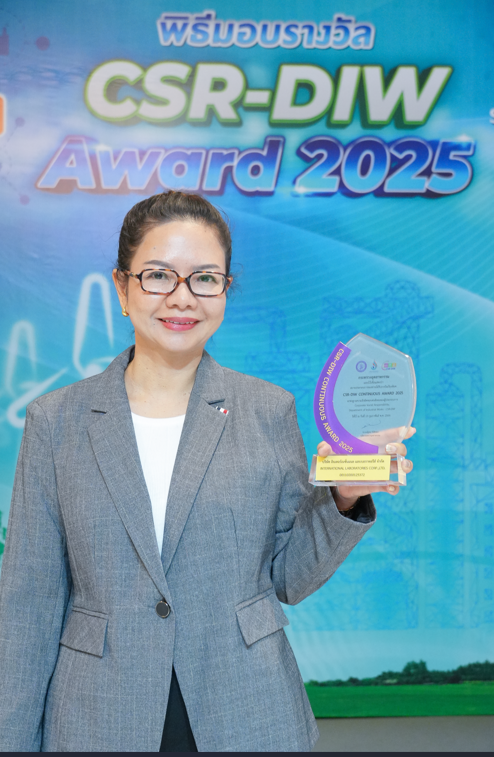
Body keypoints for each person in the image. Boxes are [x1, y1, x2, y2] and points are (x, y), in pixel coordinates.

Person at [0, 191, 414, 752]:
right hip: (98, 713)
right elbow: (28, 605)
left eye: (204, 279)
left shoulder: (268, 410)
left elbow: (288, 578)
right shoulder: (56, 421)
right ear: (122, 288)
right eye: (158, 276)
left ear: (225, 291)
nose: (182, 297)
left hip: (246, 708)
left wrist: (343, 497)